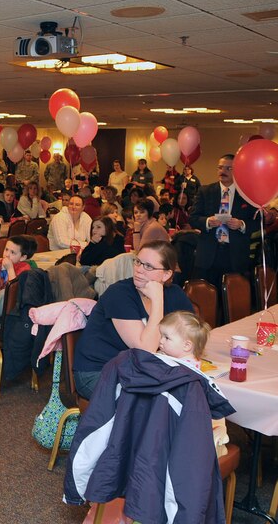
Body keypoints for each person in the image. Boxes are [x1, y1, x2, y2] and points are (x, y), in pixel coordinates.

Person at [72, 240, 194, 398]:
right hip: (99, 372)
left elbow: (193, 333)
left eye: (148, 266)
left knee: (192, 388)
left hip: (142, 369)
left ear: (167, 274)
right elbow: (145, 350)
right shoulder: (119, 294)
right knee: (161, 399)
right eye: (138, 262)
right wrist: (158, 299)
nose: (139, 270)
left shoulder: (174, 293)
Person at [157, 310, 230, 456]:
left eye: (166, 338)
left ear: (186, 346)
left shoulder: (180, 370)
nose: (160, 341)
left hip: (181, 426)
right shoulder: (187, 361)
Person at [189, 154, 256, 289]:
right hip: (208, 255)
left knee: (233, 300)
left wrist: (241, 224)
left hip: (235, 255)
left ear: (236, 171)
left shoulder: (246, 194)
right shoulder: (205, 191)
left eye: (228, 168)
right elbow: (193, 218)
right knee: (205, 300)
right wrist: (208, 221)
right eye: (220, 167)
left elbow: (258, 221)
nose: (222, 171)